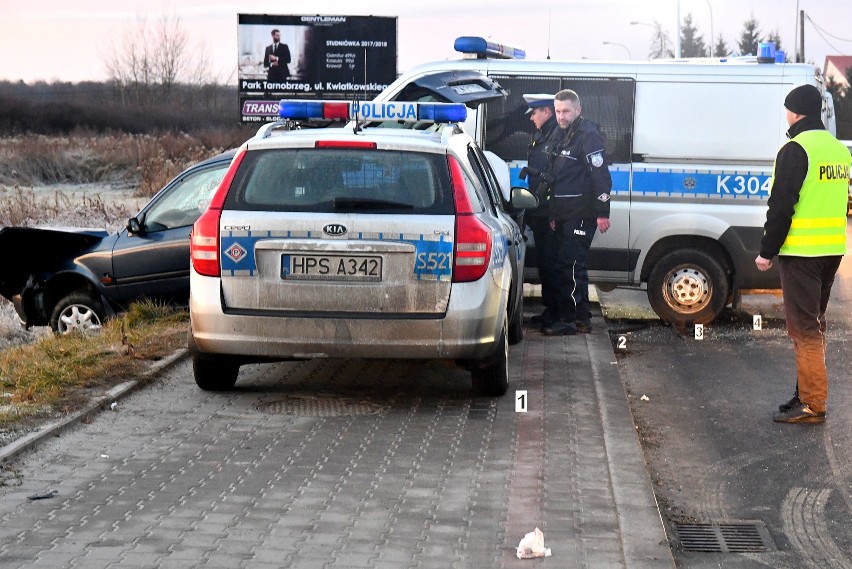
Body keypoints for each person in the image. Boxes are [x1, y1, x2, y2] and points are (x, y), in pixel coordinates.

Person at [755, 84, 851, 424]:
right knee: (814, 326)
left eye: (787, 109)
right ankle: (805, 394)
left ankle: (813, 404)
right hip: (831, 250)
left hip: (803, 253)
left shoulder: (796, 149)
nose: (786, 115)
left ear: (795, 112)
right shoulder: (838, 150)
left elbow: (781, 205)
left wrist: (767, 250)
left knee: (804, 330)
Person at [540, 89, 612, 336]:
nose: (561, 115)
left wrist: (602, 212)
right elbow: (557, 179)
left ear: (578, 110)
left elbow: (601, 176)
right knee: (574, 267)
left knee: (569, 266)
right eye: (558, 111)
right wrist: (552, 215)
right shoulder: (561, 134)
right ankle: (582, 318)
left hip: (581, 213)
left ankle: (568, 320)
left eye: (566, 111)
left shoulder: (587, 135)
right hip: (563, 215)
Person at [521, 93, 561, 330]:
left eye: (534, 113)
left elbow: (555, 178)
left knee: (552, 263)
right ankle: (551, 310)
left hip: (549, 212)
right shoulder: (544, 135)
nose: (531, 118)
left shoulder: (556, 137)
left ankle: (556, 312)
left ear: (546, 112)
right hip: (539, 208)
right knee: (546, 262)